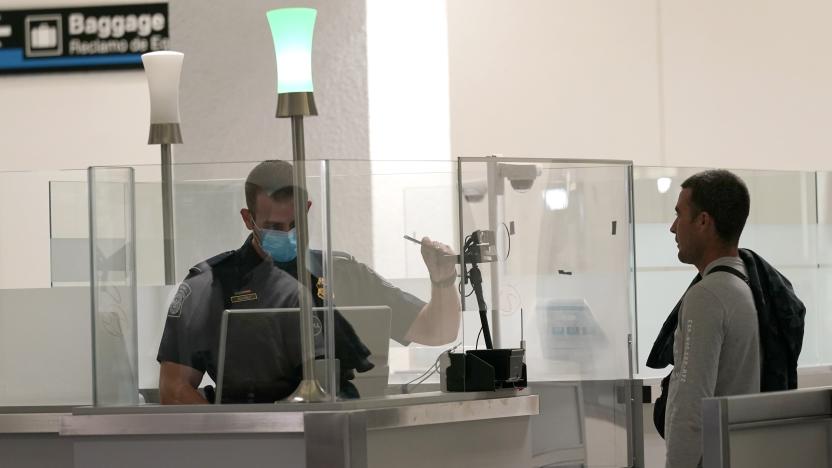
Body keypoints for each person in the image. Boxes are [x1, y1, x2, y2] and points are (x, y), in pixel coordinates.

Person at [157, 160, 461, 404]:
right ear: (248, 219)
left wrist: (443, 280)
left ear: (307, 210)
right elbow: (174, 389)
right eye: (274, 226)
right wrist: (236, 442)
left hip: (341, 427)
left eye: (295, 224)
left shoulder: (343, 273)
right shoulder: (212, 284)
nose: (287, 233)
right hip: (251, 434)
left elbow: (437, 332)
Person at [664, 169, 759, 468]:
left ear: (703, 221)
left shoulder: (707, 296)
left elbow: (691, 407)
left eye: (680, 215)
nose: (673, 227)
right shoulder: (748, 282)